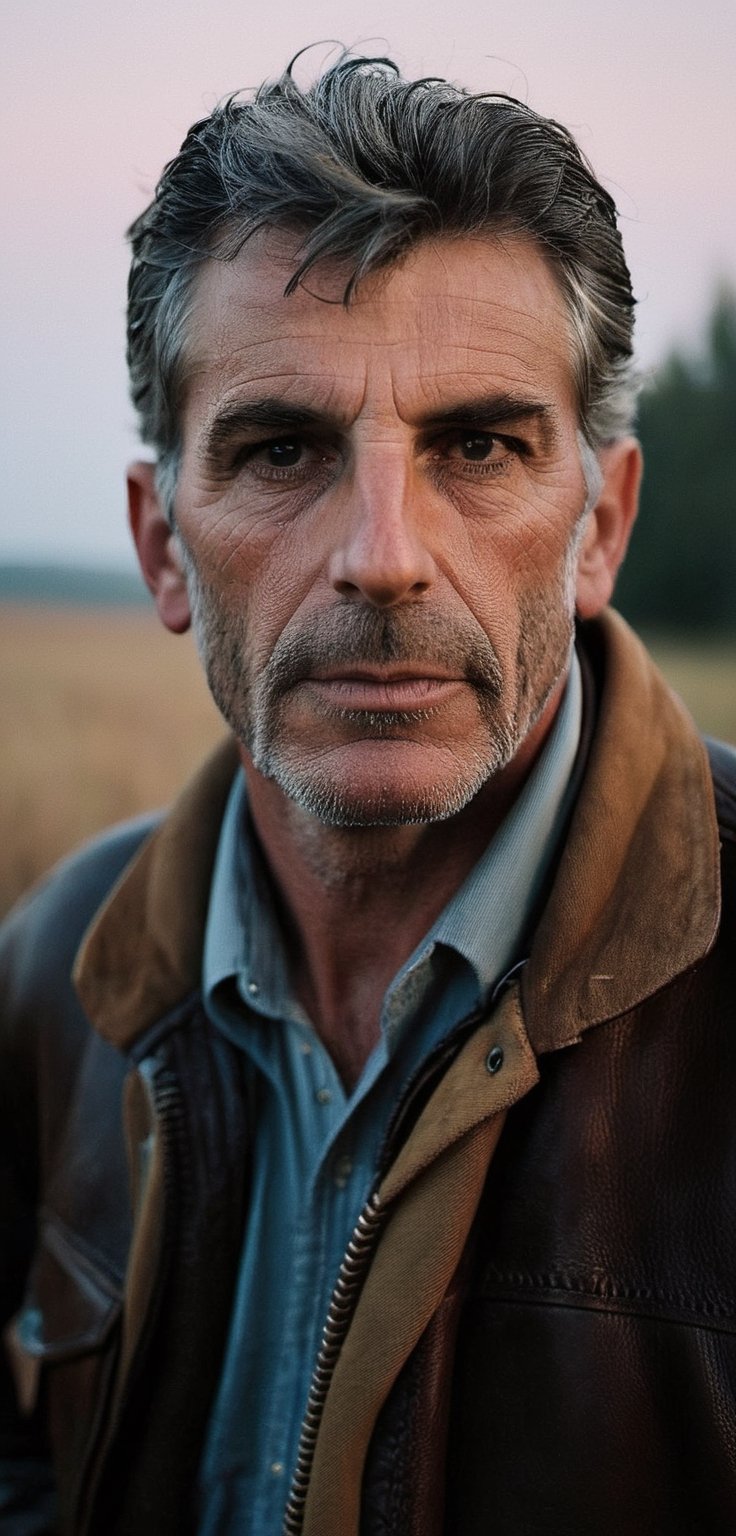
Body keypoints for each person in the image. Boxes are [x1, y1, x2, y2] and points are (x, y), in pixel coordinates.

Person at [1, 50, 735, 1536]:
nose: (384, 554)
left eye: (479, 445)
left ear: (600, 529)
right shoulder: (56, 971)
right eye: (283, 450)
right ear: (161, 548)